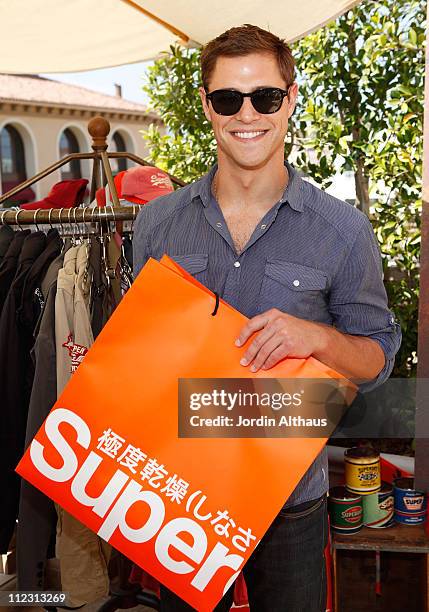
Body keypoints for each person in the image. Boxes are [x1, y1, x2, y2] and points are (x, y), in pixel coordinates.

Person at [133, 24, 401, 612]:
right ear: (208, 106)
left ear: (291, 98)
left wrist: (317, 337)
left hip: (292, 501)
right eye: (228, 98)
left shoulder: (344, 232)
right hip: (180, 496)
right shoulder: (156, 225)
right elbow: (144, 355)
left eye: (265, 97)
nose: (246, 114)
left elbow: (377, 356)